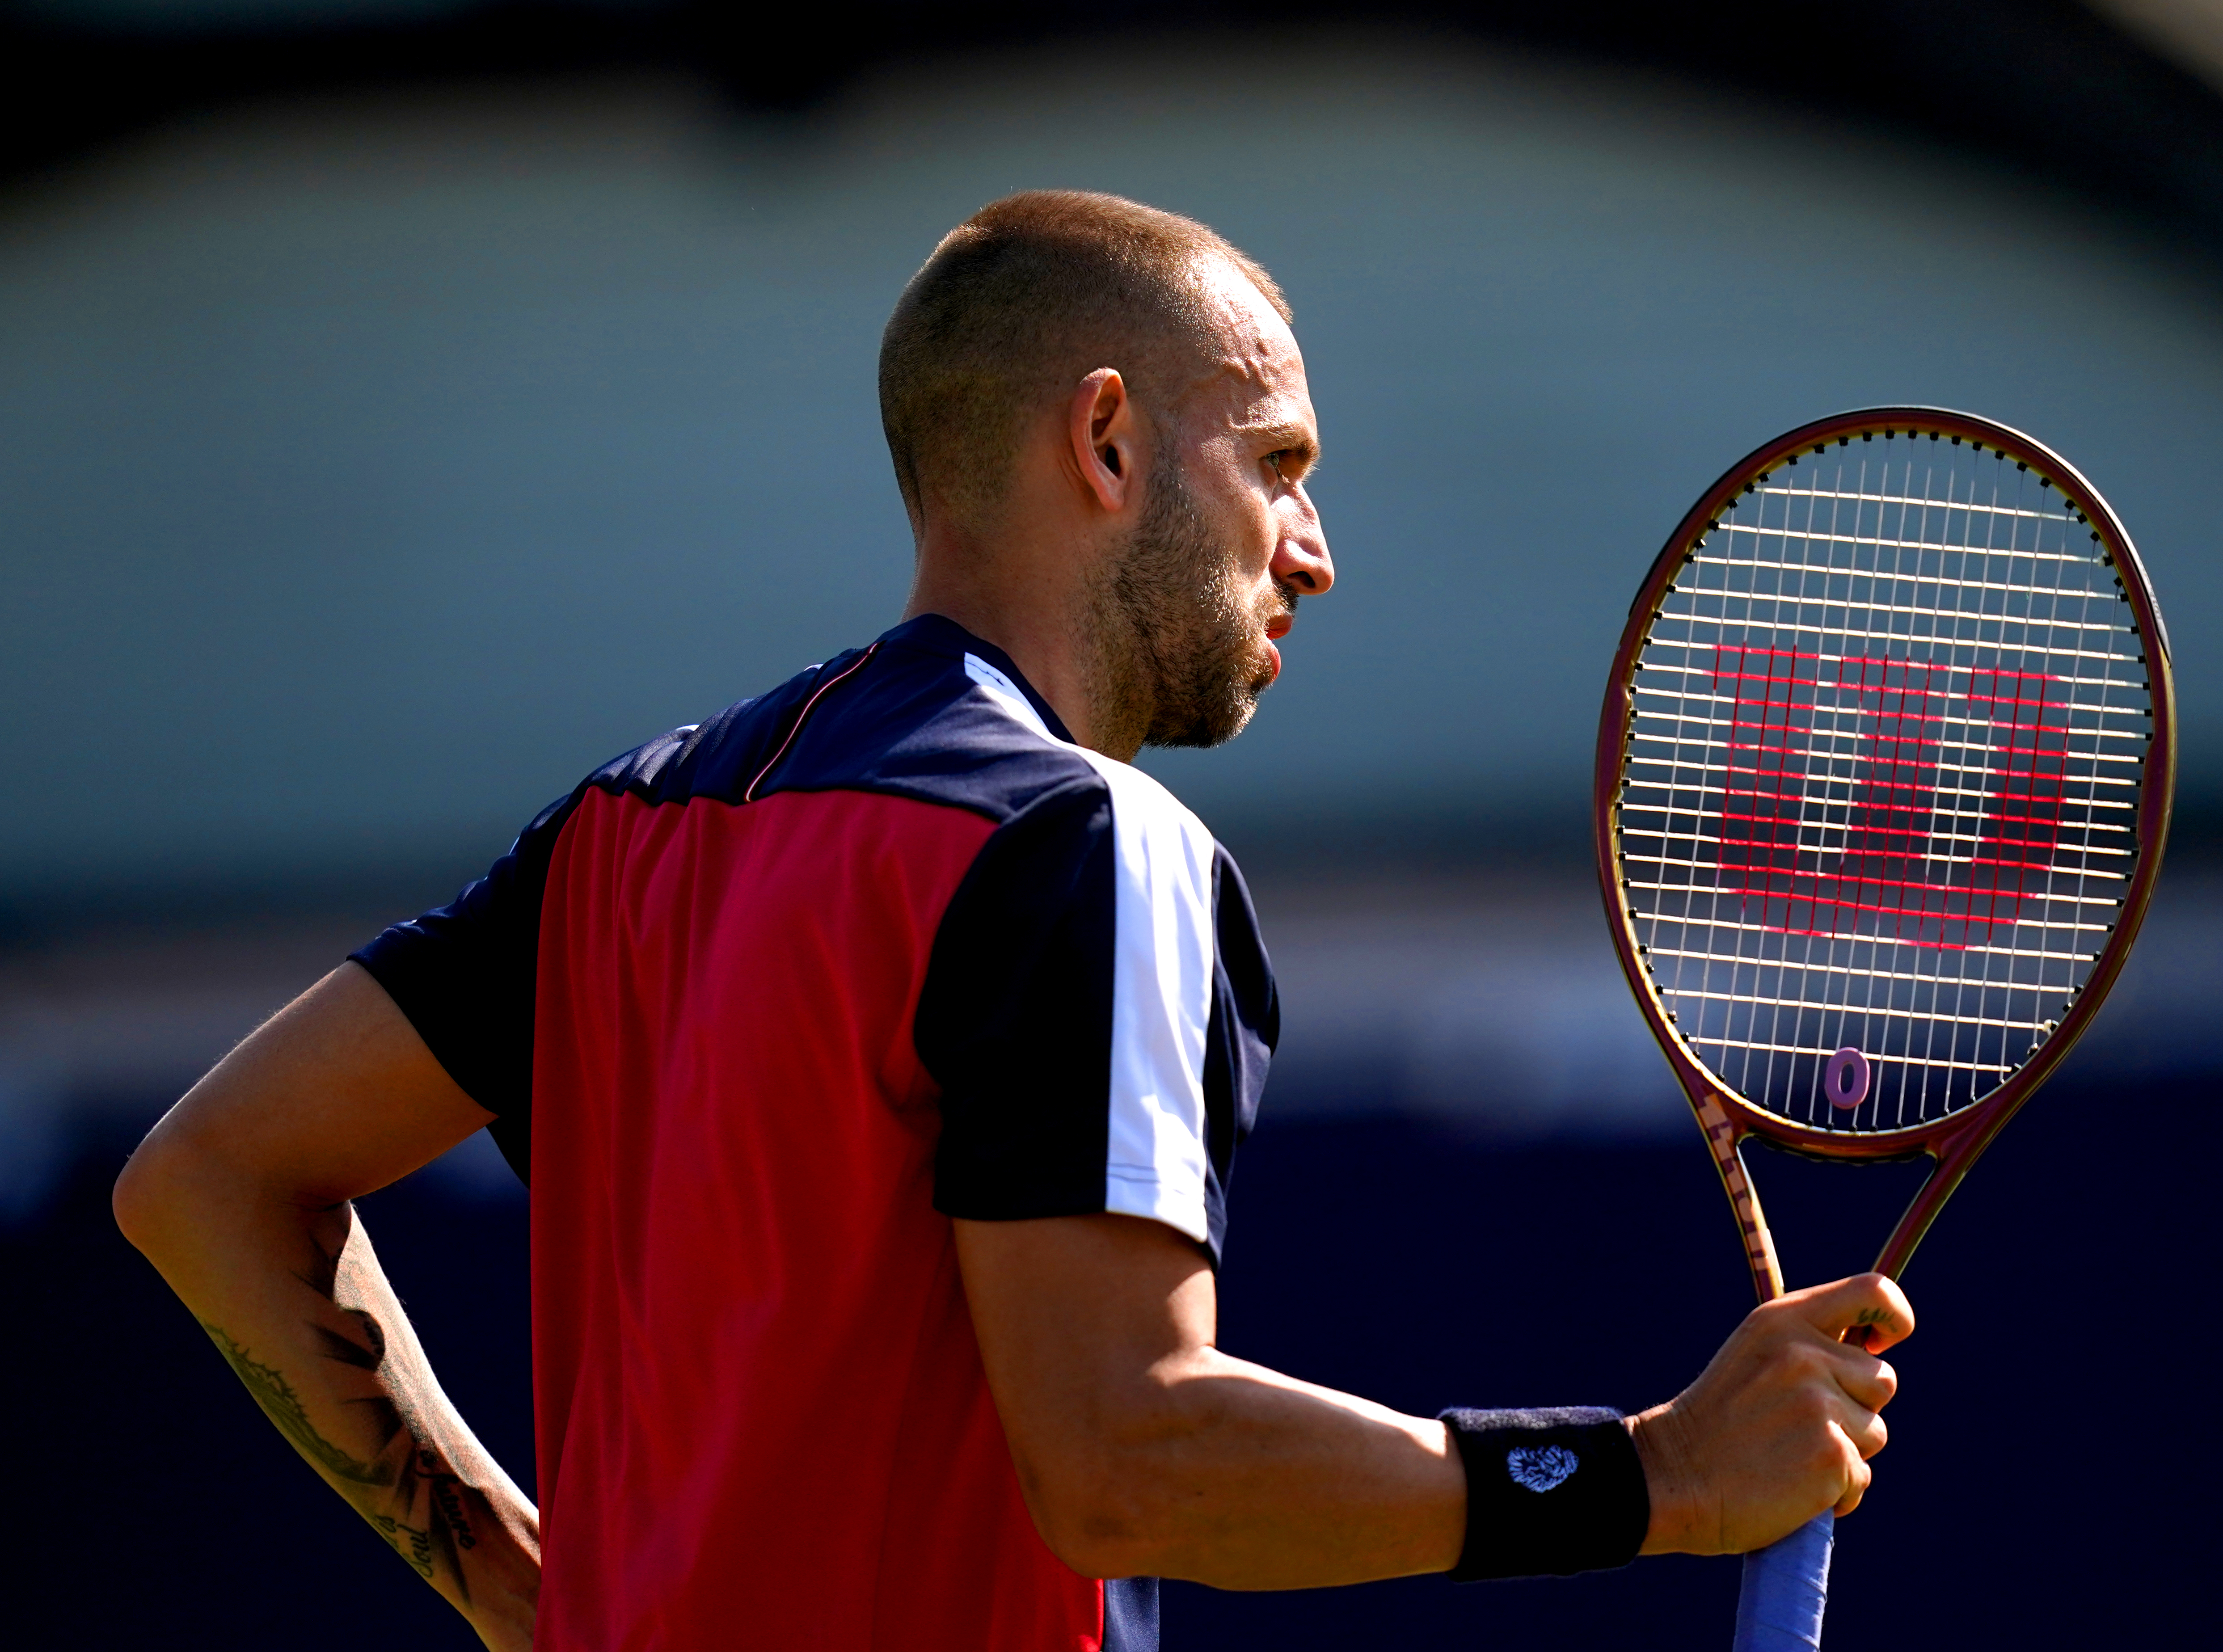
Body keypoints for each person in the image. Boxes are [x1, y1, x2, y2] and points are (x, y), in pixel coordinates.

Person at [113, 190, 1911, 1652]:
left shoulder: (628, 826)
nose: (1313, 548)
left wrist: (519, 1587)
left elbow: (203, 1180)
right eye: (1276, 463)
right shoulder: (1084, 846)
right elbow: (1133, 1461)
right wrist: (1655, 1478)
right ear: (1109, 441)